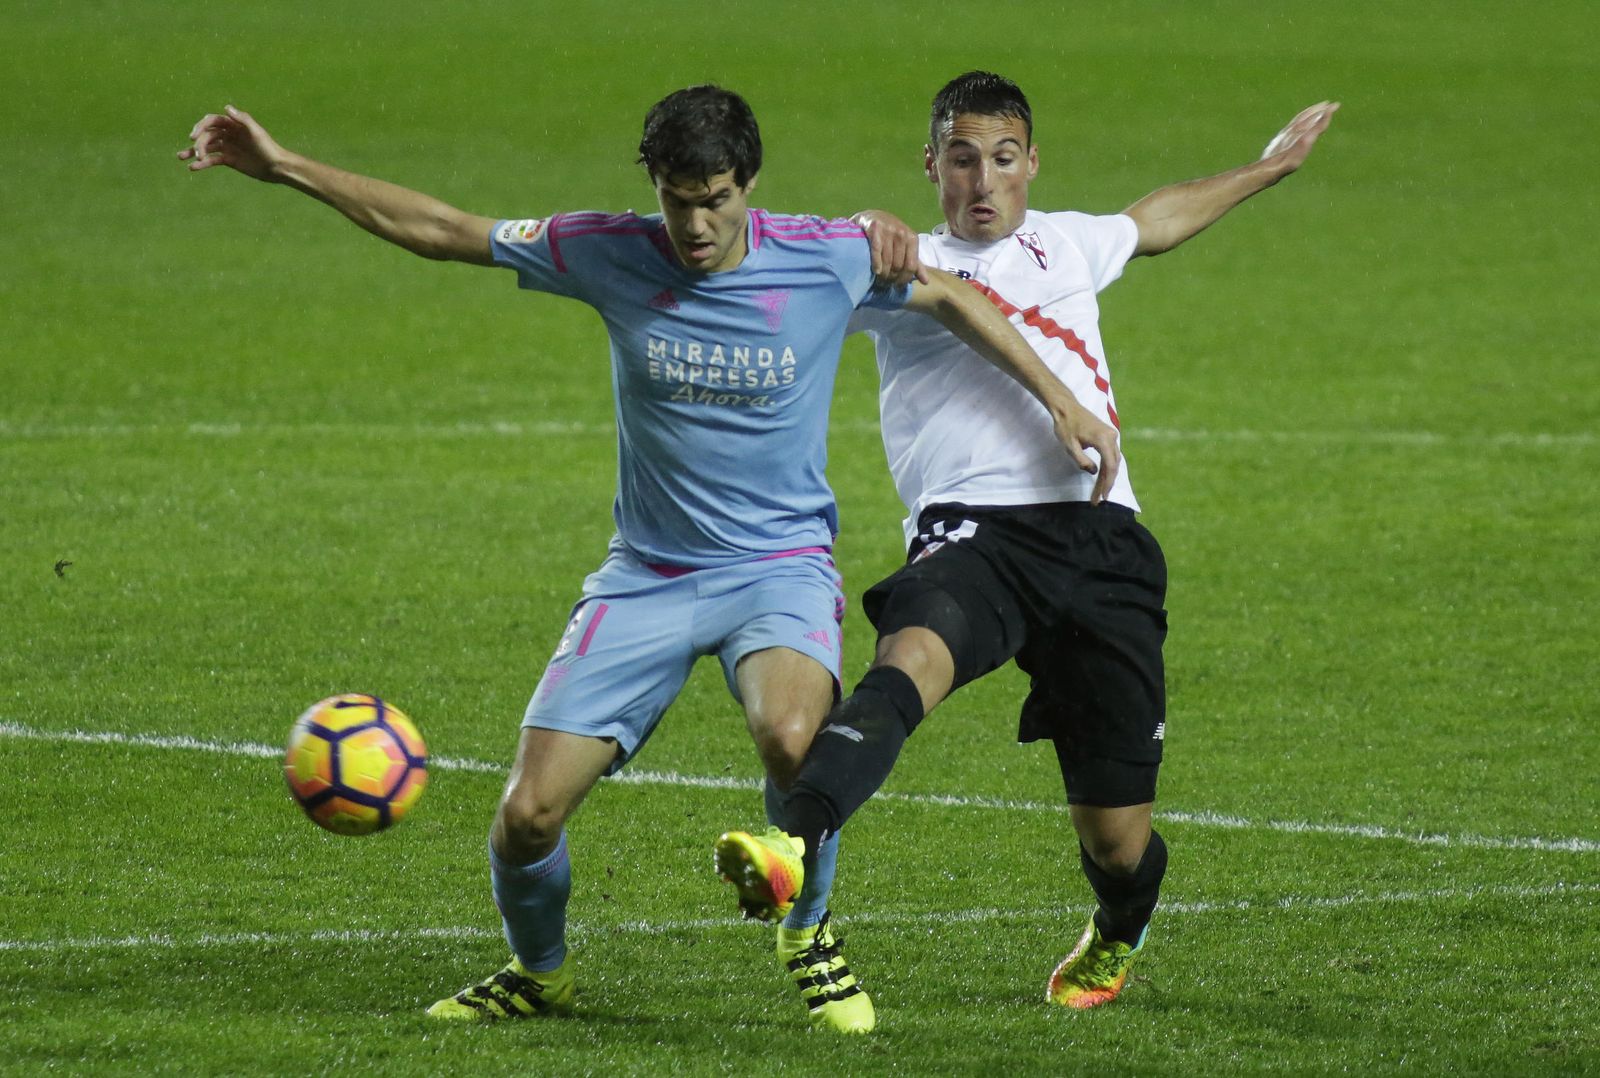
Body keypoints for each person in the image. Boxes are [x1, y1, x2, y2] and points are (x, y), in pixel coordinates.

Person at [179, 84, 1121, 1033]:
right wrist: (284, 166)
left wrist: (1061, 400)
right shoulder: (607, 249)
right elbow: (446, 230)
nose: (697, 225)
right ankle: (539, 973)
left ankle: (808, 931)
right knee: (526, 817)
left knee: (796, 744)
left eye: (715, 200)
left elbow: (952, 294)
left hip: (778, 569)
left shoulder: (825, 257)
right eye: (677, 201)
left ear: (748, 183)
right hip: (647, 576)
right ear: (656, 188)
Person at [714, 72, 1337, 1011]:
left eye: (1003, 159)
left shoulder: (1069, 243)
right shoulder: (903, 263)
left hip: (1103, 540)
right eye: (961, 159)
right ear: (932, 166)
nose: (983, 180)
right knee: (908, 658)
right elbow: (780, 262)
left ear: (1032, 163)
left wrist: (1270, 167)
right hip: (977, 535)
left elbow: (1155, 220)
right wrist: (859, 228)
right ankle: (789, 845)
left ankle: (1120, 923)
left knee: (1117, 844)